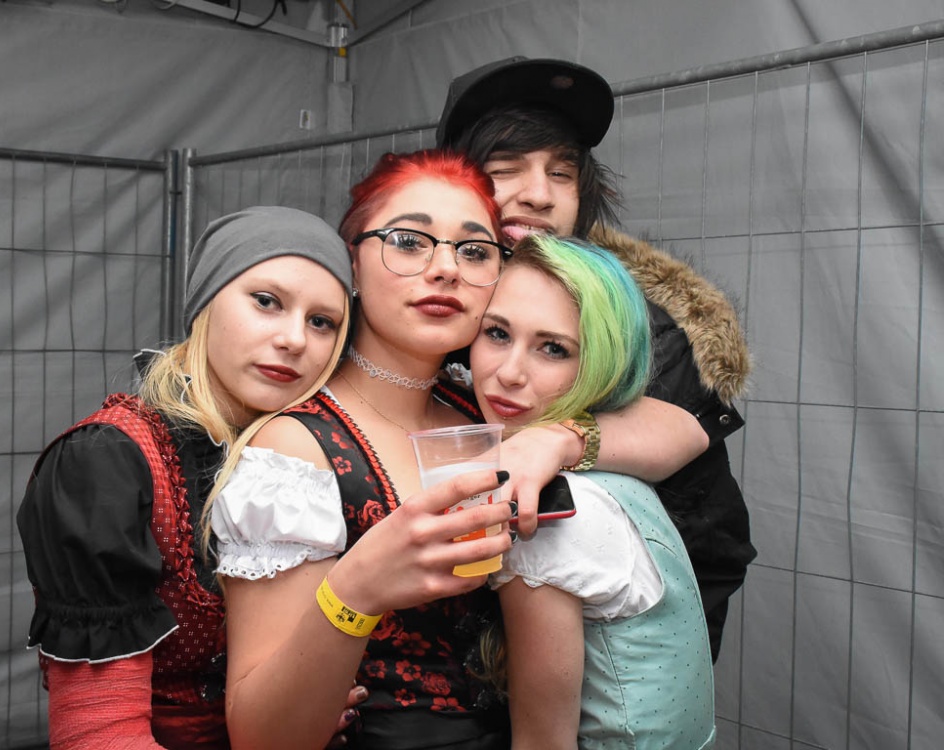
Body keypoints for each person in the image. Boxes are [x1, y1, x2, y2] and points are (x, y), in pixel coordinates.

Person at [209, 150, 704, 750]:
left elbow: (685, 431)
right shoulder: (296, 449)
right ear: (353, 265)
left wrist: (558, 438)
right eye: (408, 241)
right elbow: (262, 739)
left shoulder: (487, 400)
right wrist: (354, 592)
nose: (445, 269)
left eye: (473, 251)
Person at [437, 57, 757, 660]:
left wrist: (554, 440)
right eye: (505, 169)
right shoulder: (430, 300)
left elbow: (679, 427)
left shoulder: (631, 316)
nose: (539, 194)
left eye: (561, 173)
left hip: (630, 642)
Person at [15, 206, 360, 750]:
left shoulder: (307, 465)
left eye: (322, 322)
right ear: (205, 304)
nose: (294, 339)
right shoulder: (105, 462)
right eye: (266, 301)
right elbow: (98, 736)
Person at [470, 233, 716, 749]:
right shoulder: (612, 472)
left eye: (553, 349)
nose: (508, 373)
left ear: (602, 361)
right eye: (496, 333)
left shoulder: (551, 513)